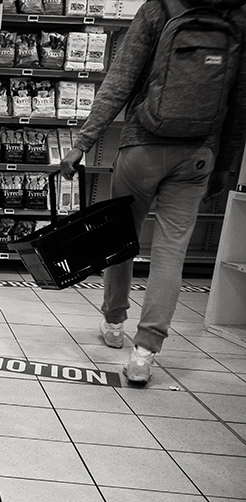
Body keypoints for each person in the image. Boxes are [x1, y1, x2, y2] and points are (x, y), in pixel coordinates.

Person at [60, 0, 246, 385]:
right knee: (171, 253)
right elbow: (239, 105)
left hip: (141, 147)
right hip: (198, 154)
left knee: (121, 238)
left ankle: (114, 322)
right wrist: (224, 165)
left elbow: (119, 82)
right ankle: (144, 353)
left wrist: (82, 143)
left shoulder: (160, 9)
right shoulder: (237, 17)